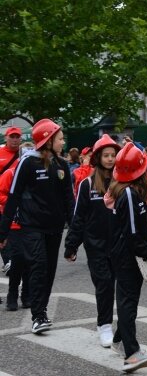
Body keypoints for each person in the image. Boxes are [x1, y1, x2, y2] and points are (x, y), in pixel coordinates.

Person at [0, 118, 74, 334]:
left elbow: (69, 200)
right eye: (60, 138)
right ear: (47, 140)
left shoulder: (61, 165)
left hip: (54, 228)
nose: (63, 142)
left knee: (50, 271)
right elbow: (13, 197)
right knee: (39, 266)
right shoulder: (27, 163)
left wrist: (75, 234)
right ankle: (38, 316)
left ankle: (40, 310)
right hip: (31, 227)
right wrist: (3, 232)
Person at [105, 142, 147, 372]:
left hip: (127, 254)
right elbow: (133, 234)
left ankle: (119, 340)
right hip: (127, 257)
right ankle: (131, 353)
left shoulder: (129, 191)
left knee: (130, 302)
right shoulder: (129, 193)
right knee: (128, 304)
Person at [63, 134, 121, 347]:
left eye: (113, 155)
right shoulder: (87, 184)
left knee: (120, 285)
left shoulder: (123, 183)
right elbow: (79, 218)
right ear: (97, 158)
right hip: (95, 245)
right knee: (104, 283)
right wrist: (71, 246)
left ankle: (122, 326)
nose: (109, 159)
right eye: (105, 155)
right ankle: (104, 325)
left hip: (118, 244)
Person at [0, 141, 34, 311]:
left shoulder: (36, 175)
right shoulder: (10, 173)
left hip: (32, 224)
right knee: (18, 258)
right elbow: (1, 194)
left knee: (30, 261)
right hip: (14, 224)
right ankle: (12, 295)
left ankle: (26, 295)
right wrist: (16, 201)